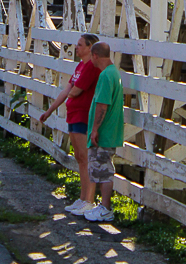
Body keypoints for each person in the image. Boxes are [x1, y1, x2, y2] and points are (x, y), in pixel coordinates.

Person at [40, 34, 100, 216]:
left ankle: (89, 200)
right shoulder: (80, 65)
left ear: (90, 47)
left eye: (80, 45)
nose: (77, 48)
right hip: (73, 114)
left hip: (83, 115)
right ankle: (83, 198)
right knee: (80, 158)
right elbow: (68, 90)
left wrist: (73, 94)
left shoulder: (91, 66)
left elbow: (75, 91)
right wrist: (50, 110)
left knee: (85, 158)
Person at [84, 42, 124, 222]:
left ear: (95, 55)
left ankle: (105, 208)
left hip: (104, 132)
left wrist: (94, 129)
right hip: (110, 130)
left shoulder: (106, 76)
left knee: (103, 169)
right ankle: (103, 206)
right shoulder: (113, 73)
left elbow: (102, 105)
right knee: (102, 168)